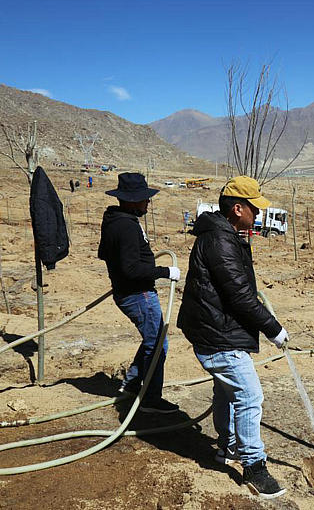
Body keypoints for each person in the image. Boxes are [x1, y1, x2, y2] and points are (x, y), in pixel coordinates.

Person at [176, 176, 288, 499]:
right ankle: (254, 466)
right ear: (237, 209)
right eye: (254, 208)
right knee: (249, 395)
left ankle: (226, 447)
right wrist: (273, 329)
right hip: (216, 335)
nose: (258, 214)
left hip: (215, 328)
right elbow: (239, 296)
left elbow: (237, 290)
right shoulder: (220, 241)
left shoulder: (225, 234)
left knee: (226, 391)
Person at [98, 173, 181, 414]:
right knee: (158, 345)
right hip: (138, 294)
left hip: (128, 292)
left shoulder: (114, 220)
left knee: (152, 340)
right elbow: (131, 269)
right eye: (144, 199)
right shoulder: (125, 226)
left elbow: (107, 255)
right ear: (133, 201)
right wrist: (165, 271)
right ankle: (151, 399)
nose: (148, 202)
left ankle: (133, 384)